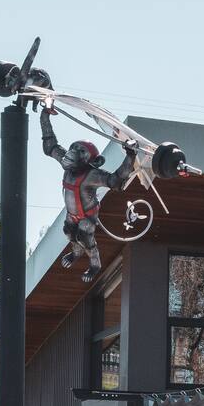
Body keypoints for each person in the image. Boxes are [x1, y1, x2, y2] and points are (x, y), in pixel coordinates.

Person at [41, 108, 136, 282]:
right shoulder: (67, 164)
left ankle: (95, 265)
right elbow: (50, 146)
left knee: (84, 236)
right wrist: (45, 116)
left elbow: (116, 181)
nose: (73, 152)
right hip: (72, 213)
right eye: (74, 148)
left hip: (87, 215)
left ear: (92, 161)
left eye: (81, 151)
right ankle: (76, 253)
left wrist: (131, 155)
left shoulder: (91, 174)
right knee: (69, 232)